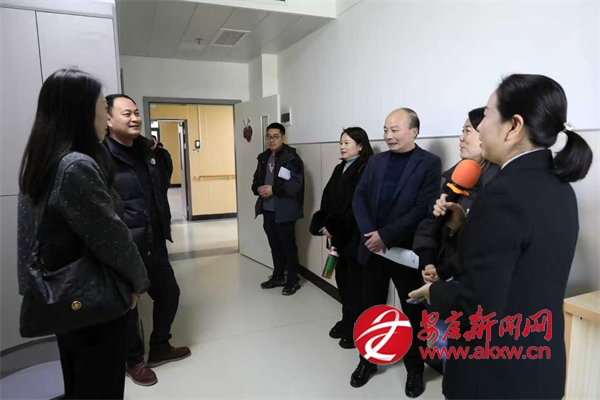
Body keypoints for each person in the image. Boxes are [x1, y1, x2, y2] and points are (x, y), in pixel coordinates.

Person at [409, 74, 593, 399]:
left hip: (494, 372)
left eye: (487, 115)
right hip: (538, 365)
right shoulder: (559, 187)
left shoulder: (502, 195)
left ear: (513, 126)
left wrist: (434, 292)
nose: (480, 128)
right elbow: (521, 263)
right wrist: (463, 226)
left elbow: (475, 306)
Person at [17, 69, 150, 399]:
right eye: (102, 107)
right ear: (81, 111)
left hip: (65, 295)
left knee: (79, 382)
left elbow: (26, 236)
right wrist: (138, 282)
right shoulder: (76, 166)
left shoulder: (43, 161)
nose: (106, 116)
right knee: (100, 387)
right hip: (93, 301)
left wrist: (32, 286)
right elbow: (112, 238)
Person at [351, 108, 442, 397]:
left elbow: (423, 209)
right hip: (372, 250)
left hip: (405, 253)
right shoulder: (376, 161)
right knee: (372, 309)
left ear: (414, 131)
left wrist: (386, 236)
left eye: (395, 130)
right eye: (385, 130)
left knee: (413, 313)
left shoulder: (429, 163)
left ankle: (415, 368)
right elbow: (359, 197)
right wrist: (371, 235)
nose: (388, 135)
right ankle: (368, 360)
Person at [104, 94, 190, 386]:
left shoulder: (146, 151)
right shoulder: (101, 157)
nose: (135, 118)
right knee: (128, 308)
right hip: (126, 247)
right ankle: (133, 361)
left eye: (136, 113)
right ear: (108, 119)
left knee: (169, 294)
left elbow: (162, 182)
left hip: (155, 241)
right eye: (126, 113)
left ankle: (160, 347)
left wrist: (158, 152)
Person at [413, 107, 499, 367]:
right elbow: (429, 223)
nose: (460, 138)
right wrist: (428, 261)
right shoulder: (453, 177)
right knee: (443, 348)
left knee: (467, 359)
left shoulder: (498, 186)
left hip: (468, 285)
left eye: (467, 131)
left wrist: (443, 270)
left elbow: (485, 244)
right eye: (462, 131)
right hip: (439, 276)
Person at [310, 127, 374, 349]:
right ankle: (347, 319)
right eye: (341, 143)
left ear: (361, 146)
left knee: (355, 284)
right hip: (338, 235)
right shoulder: (340, 167)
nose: (342, 147)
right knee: (343, 280)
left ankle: (355, 326)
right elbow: (328, 198)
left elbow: (356, 206)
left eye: (347, 143)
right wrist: (325, 225)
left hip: (354, 235)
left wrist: (334, 227)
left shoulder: (365, 168)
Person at [252, 122, 305, 296]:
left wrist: (274, 190)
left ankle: (293, 279)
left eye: (275, 137)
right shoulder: (263, 157)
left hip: (285, 210)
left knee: (288, 246)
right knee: (274, 245)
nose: (272, 140)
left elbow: (295, 185)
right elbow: (256, 180)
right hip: (268, 209)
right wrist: (258, 188)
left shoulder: (292, 158)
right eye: (269, 137)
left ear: (283, 137)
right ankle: (278, 275)